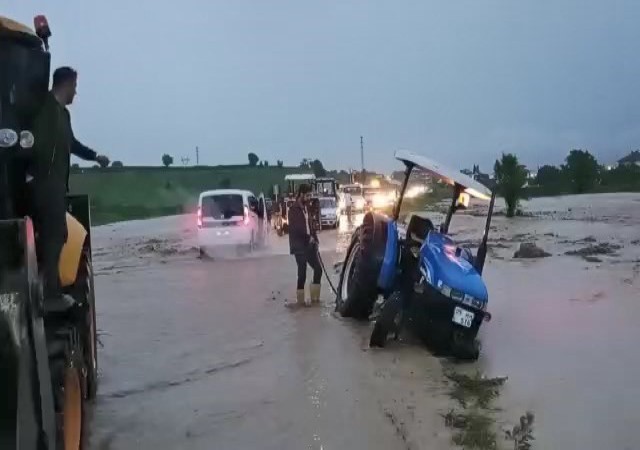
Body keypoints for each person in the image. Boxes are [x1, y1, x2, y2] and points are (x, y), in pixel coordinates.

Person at [30, 66, 109, 307]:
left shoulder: (64, 116)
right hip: (43, 182)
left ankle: (45, 285)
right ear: (65, 84)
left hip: (56, 185)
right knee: (55, 234)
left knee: (58, 234)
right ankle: (50, 294)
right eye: (75, 86)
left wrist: (95, 156)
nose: (76, 92)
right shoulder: (43, 108)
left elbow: (71, 144)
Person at [287, 184, 322, 307]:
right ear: (301, 194)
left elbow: (311, 226)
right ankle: (300, 302)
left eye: (310, 195)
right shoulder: (293, 210)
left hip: (310, 245)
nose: (308, 197)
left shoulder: (307, 208)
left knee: (318, 269)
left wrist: (315, 240)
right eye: (307, 195)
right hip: (299, 247)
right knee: (302, 273)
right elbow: (297, 229)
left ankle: (315, 299)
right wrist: (309, 238)